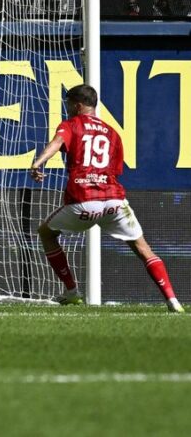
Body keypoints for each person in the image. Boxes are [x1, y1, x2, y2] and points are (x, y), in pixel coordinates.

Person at [31, 84, 183, 312]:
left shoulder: (71, 125)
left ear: (77, 105)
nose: (67, 109)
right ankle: (173, 301)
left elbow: (57, 142)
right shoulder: (113, 132)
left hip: (84, 201)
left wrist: (38, 162)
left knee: (46, 233)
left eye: (68, 105)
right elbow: (115, 171)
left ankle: (72, 291)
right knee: (143, 248)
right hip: (113, 201)